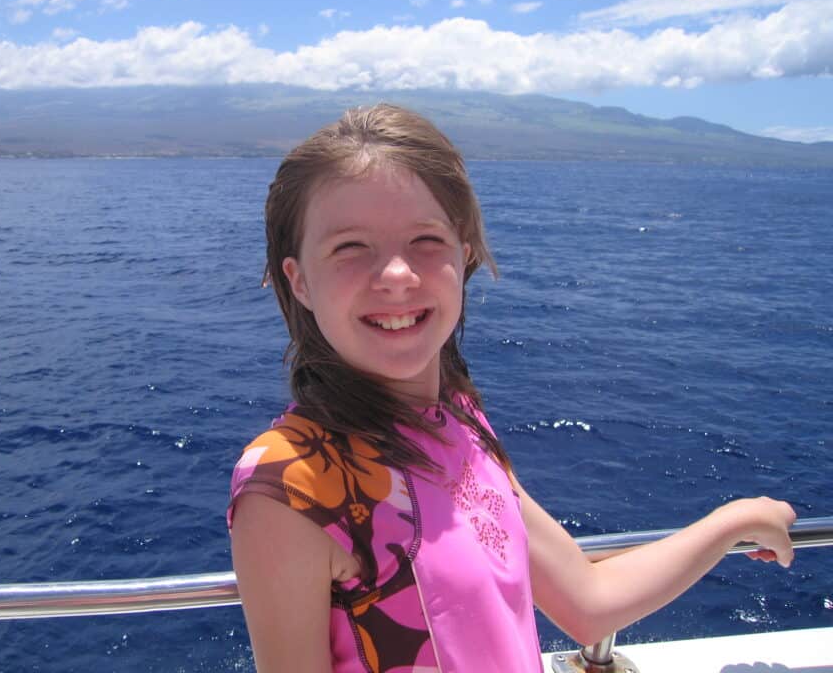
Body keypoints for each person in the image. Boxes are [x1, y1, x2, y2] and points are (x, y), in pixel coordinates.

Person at [227, 104, 796, 673]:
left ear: (463, 254)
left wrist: (733, 521)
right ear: (298, 279)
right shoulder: (290, 486)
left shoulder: (455, 417)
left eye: (426, 239)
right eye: (350, 247)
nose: (397, 274)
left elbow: (589, 603)